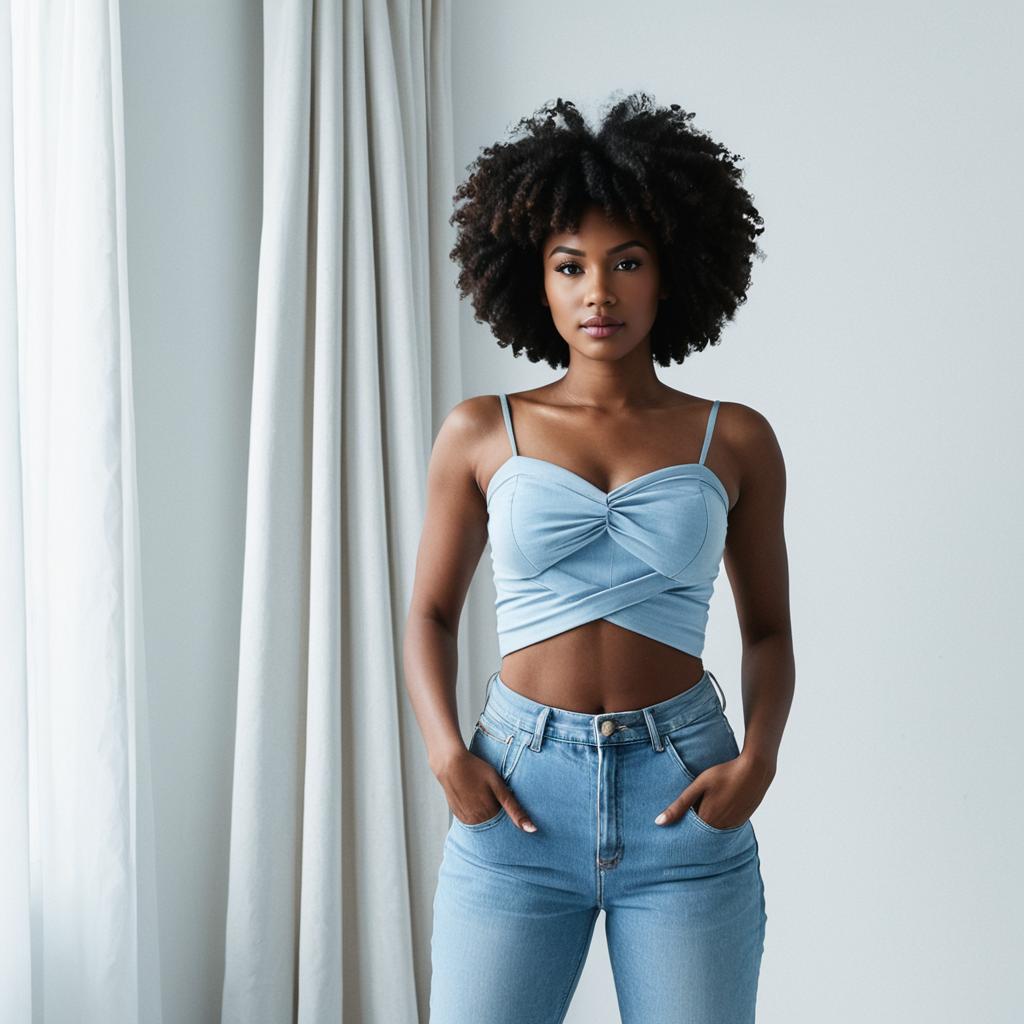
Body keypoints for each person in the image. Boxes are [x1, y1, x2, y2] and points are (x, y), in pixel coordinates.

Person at [402, 92, 794, 1024]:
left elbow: (770, 629)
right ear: (534, 281)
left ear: (672, 274)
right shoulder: (480, 431)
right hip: (516, 795)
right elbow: (429, 613)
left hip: (684, 793)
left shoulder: (731, 439)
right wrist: (445, 751)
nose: (599, 293)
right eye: (569, 266)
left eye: (627, 263)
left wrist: (762, 761)